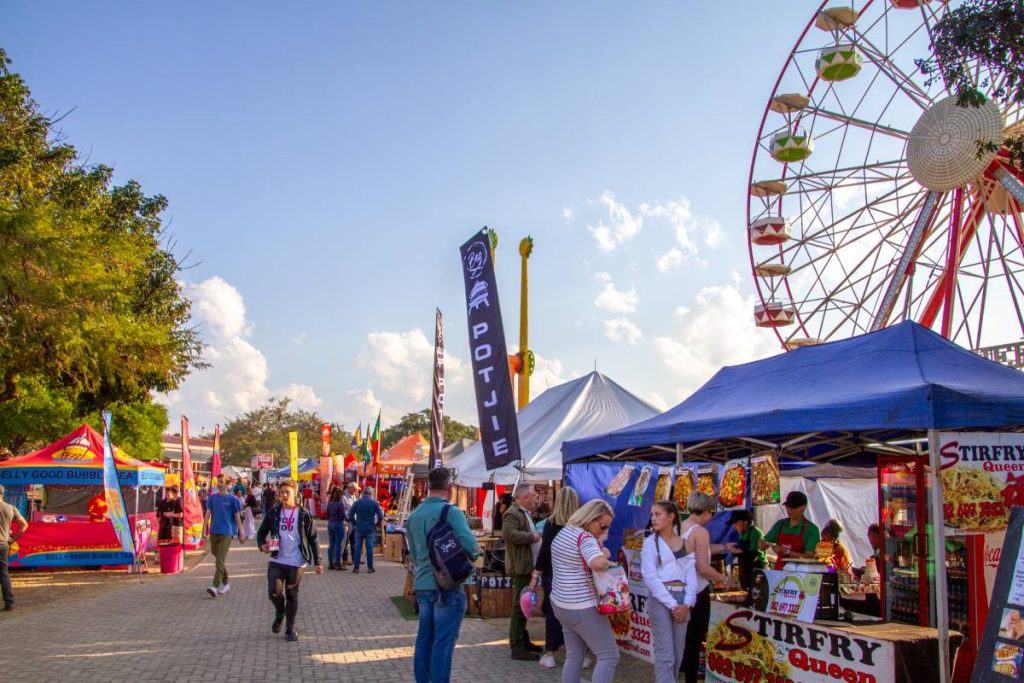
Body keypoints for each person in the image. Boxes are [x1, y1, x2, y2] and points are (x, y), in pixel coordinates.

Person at [406, 467, 479, 682]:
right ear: (450, 487)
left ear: (428, 486)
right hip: (446, 587)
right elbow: (470, 546)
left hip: (422, 585)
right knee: (443, 643)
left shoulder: (414, 515)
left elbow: (412, 552)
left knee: (424, 640)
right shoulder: (451, 512)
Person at [550, 499, 619, 683]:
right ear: (591, 518)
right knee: (609, 655)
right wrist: (603, 555)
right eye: (603, 526)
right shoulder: (585, 538)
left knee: (574, 657)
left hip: (560, 602)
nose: (604, 531)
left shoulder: (566, 531)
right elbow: (597, 563)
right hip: (581, 605)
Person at [679, 492, 737, 683]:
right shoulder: (700, 531)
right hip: (697, 591)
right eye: (712, 513)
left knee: (685, 639)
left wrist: (725, 547)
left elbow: (700, 549)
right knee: (695, 641)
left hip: (682, 591)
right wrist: (724, 579)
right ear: (707, 512)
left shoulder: (682, 526)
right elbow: (703, 567)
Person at [256, 479, 323, 641]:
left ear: (295, 494)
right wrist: (261, 545)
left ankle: (290, 628)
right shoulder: (273, 512)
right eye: (282, 492)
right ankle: (280, 613)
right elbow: (261, 532)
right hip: (278, 559)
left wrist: (318, 562)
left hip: (297, 561)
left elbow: (313, 539)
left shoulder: (304, 514)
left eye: (288, 492)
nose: (284, 495)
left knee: (292, 594)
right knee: (274, 592)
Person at [642, 500, 698, 683]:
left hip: (682, 597)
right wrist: (674, 605)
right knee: (665, 653)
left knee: (678, 651)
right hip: (661, 598)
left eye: (658, 514)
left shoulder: (684, 542)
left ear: (671, 516)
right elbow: (650, 577)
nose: (653, 518)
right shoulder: (650, 543)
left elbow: (691, 575)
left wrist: (687, 604)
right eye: (652, 515)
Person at [529, 486, 582, 670]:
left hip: (553, 575)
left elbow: (544, 552)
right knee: (577, 615)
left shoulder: (551, 524)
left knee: (553, 614)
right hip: (576, 576)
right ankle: (576, 654)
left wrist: (535, 575)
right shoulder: (580, 525)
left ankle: (550, 653)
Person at [502, 482, 543, 660]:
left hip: (526, 566)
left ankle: (522, 639)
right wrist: (531, 537)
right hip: (520, 567)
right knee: (520, 607)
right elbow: (508, 534)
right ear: (525, 497)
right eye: (533, 495)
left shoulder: (522, 513)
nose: (535, 498)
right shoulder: (512, 513)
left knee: (525, 605)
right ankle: (517, 646)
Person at [204, 475, 245, 598]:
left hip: (227, 532)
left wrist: (241, 532)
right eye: (218, 481)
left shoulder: (233, 499)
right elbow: (207, 514)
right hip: (214, 531)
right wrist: (204, 529)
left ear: (227, 484)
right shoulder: (212, 498)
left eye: (222, 482)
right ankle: (226, 583)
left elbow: (237, 516)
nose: (219, 484)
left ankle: (215, 586)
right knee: (219, 559)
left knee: (219, 560)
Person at [760, 490, 821, 569]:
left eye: (794, 507)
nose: (789, 509)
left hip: (800, 575)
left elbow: (809, 557)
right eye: (787, 506)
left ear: (803, 507)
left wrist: (786, 551)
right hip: (779, 573)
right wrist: (763, 543)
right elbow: (762, 545)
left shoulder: (812, 529)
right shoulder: (780, 524)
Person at [0, 484, 29, 611]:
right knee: (3, 574)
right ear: (3, 494)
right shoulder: (11, 508)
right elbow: (24, 525)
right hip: (3, 544)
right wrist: (13, 539)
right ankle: (9, 602)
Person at [724, 509, 766, 592]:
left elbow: (753, 555)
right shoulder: (742, 533)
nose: (734, 526)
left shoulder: (756, 533)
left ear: (745, 522)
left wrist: (737, 552)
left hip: (757, 569)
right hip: (745, 569)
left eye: (736, 523)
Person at [349, 486, 384, 573]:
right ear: (371, 494)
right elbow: (380, 515)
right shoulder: (374, 503)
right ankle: (370, 567)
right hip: (370, 528)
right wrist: (377, 524)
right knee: (369, 548)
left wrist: (354, 523)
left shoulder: (357, 502)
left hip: (359, 527)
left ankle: (356, 568)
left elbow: (350, 514)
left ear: (363, 493)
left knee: (357, 548)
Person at [326, 488, 348, 570]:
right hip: (338, 524)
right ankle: (338, 563)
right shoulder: (340, 504)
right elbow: (342, 515)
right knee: (338, 544)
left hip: (330, 524)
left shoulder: (330, 503)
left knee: (331, 544)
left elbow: (327, 515)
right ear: (340, 495)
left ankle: (331, 563)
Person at [341, 482, 359, 567]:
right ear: (350, 488)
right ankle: (345, 559)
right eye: (355, 489)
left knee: (354, 541)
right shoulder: (343, 497)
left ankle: (354, 559)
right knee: (346, 541)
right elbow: (342, 511)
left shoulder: (354, 497)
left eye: (356, 490)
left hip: (354, 522)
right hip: (347, 522)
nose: (356, 491)